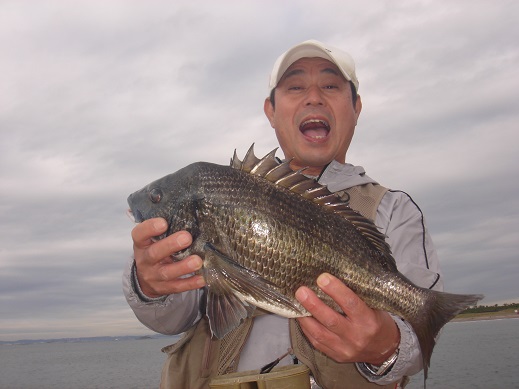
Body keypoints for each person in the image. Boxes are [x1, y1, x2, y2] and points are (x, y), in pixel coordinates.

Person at [123, 40, 443, 389]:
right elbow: (174, 317)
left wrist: (388, 347)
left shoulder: (395, 210)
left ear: (356, 107)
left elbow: (418, 340)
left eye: (331, 85)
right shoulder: (226, 198)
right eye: (294, 87)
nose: (314, 97)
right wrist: (150, 286)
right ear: (270, 111)